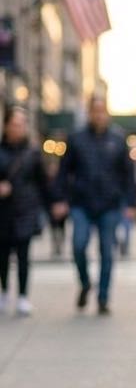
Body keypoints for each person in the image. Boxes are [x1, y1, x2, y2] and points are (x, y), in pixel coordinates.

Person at [55, 94, 136, 315]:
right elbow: (63, 172)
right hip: (81, 203)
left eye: (102, 111)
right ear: (89, 113)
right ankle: (85, 283)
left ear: (107, 113)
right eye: (95, 111)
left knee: (107, 252)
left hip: (110, 205)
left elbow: (128, 174)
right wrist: (60, 199)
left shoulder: (118, 139)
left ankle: (103, 297)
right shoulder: (76, 139)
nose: (98, 115)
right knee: (78, 245)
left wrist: (130, 202)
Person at [0, 105, 67, 315]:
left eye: (21, 124)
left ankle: (22, 296)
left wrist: (54, 203)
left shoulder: (32, 153)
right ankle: (4, 291)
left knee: (23, 254)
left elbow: (43, 183)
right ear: (6, 126)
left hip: (25, 209)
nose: (18, 128)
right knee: (2, 255)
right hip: (3, 211)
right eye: (14, 124)